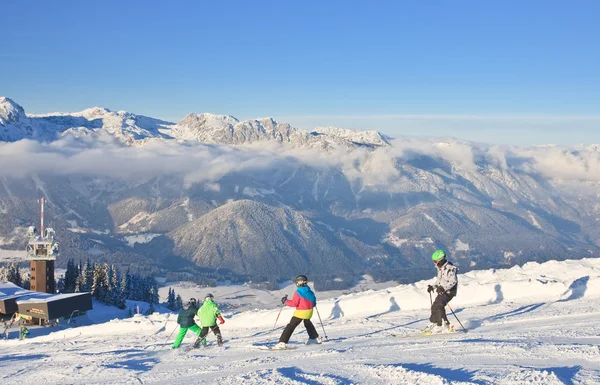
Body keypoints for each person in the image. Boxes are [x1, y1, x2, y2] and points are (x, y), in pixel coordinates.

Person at [274, 275, 322, 350]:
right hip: (309, 312)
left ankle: (282, 343)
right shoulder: (311, 292)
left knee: (290, 326)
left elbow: (294, 304)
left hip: (300, 312)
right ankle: (314, 338)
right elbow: (314, 303)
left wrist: (285, 301)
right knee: (308, 323)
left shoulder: (298, 292)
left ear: (299, 283)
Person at [423, 250, 458, 334]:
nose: (434, 263)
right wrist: (433, 286)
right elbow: (439, 281)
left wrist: (443, 288)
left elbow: (453, 282)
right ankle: (436, 323)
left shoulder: (450, 268)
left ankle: (440, 325)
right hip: (442, 291)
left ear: (440, 260)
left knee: (439, 306)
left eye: (435, 261)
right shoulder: (440, 269)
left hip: (449, 291)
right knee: (434, 306)